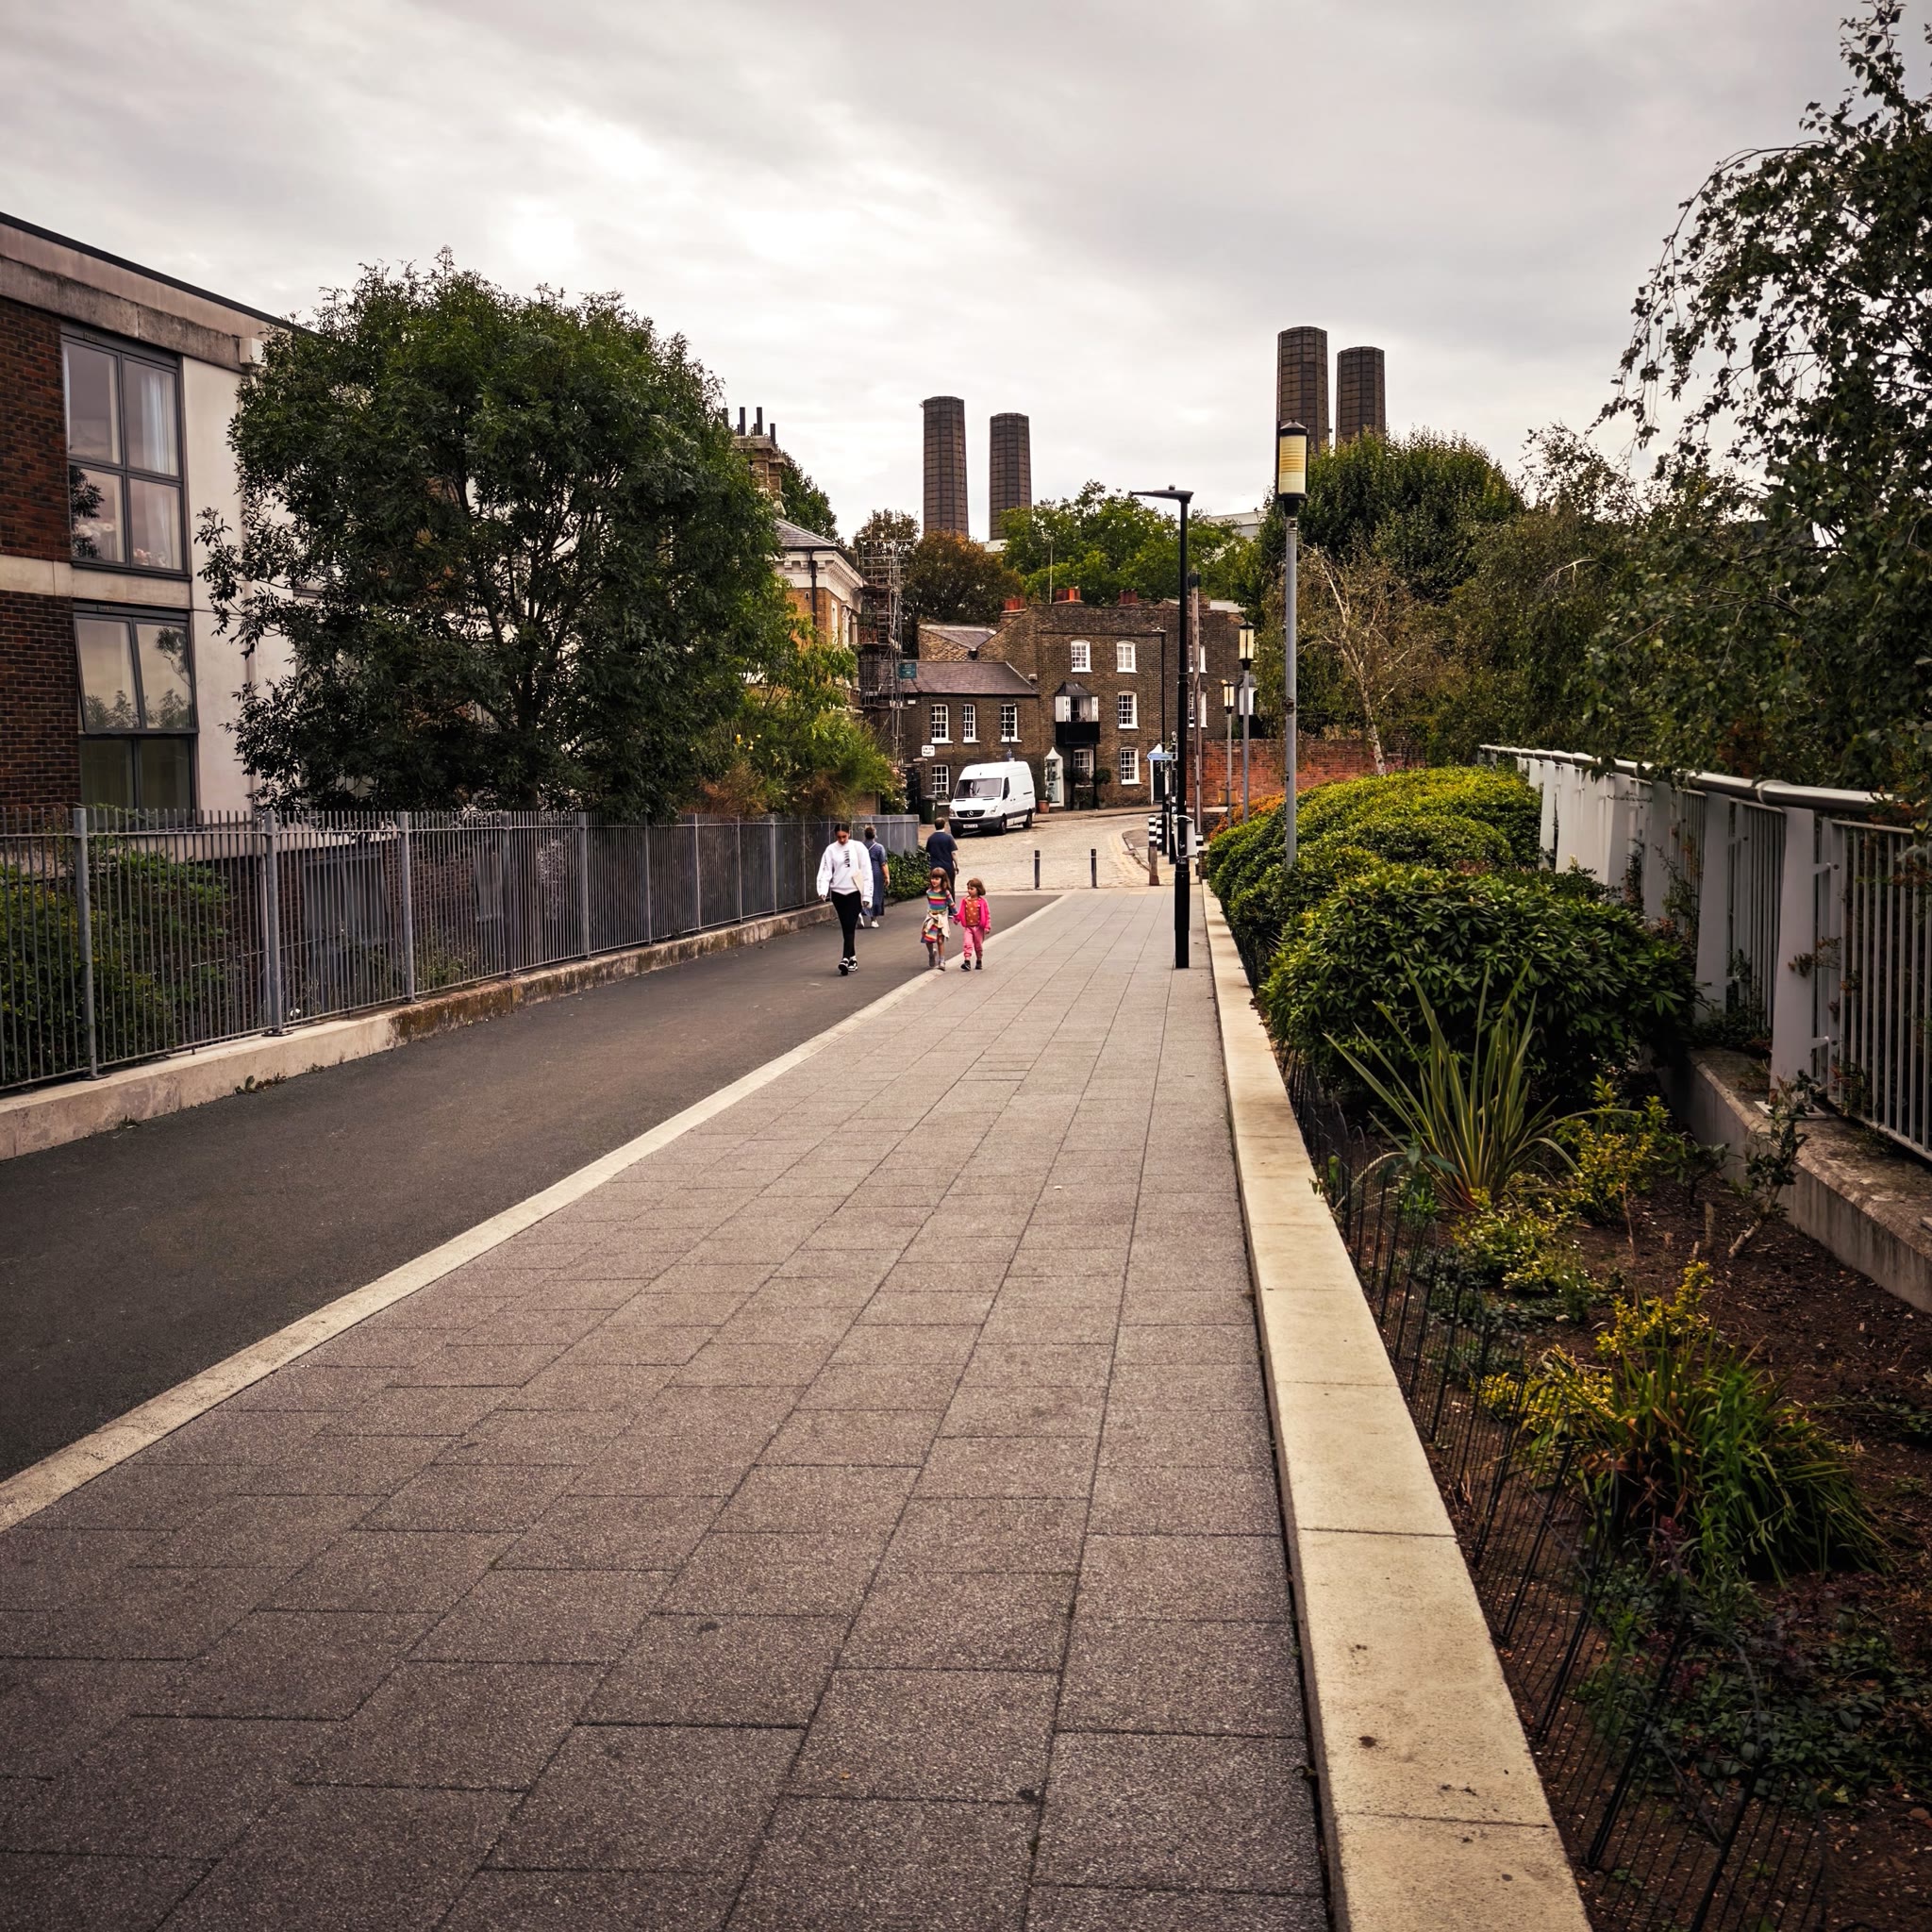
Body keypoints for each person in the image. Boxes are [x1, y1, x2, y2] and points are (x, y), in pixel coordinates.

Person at [815, 824, 874, 976]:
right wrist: (822, 889)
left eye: (844, 836)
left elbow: (867, 872)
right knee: (845, 926)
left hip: (854, 892)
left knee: (850, 925)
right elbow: (825, 870)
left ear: (849, 834)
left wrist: (867, 895)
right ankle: (852, 958)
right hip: (838, 893)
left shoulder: (858, 847)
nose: (841, 840)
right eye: (839, 837)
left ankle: (845, 959)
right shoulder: (831, 850)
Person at [921, 867, 956, 971]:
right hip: (931, 917)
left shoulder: (946, 893)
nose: (934, 881)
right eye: (933, 878)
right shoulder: (929, 892)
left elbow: (952, 904)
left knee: (940, 940)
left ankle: (942, 961)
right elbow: (930, 904)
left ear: (942, 880)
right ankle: (932, 953)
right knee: (928, 939)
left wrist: (956, 915)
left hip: (941, 918)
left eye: (937, 879)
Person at [956, 876, 991, 972]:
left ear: (978, 889)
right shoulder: (965, 901)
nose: (969, 891)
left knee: (978, 945)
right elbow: (961, 912)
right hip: (968, 927)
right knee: (967, 943)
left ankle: (979, 960)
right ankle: (967, 961)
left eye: (972, 889)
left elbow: (987, 914)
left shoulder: (982, 902)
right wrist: (957, 918)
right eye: (968, 888)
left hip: (979, 927)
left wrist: (987, 926)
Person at [861, 824, 889, 927]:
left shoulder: (860, 847)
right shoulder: (879, 847)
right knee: (876, 894)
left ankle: (860, 915)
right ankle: (873, 920)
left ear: (865, 835)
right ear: (875, 835)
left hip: (862, 872)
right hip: (875, 872)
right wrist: (887, 876)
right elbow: (883, 863)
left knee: (862, 893)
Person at [925, 816, 958, 897]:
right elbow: (953, 853)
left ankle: (937, 902)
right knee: (950, 887)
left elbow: (928, 853)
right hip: (947, 867)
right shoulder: (949, 838)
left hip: (935, 867)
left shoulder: (931, 838)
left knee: (936, 888)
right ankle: (950, 904)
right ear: (944, 825)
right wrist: (956, 865)